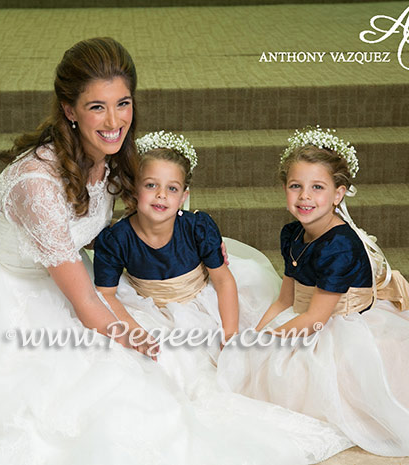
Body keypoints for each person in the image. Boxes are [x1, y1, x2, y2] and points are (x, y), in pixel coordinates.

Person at [0, 41, 351, 464]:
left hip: (72, 277)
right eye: (97, 106)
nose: (114, 119)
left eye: (122, 103)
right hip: (3, 294)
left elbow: (141, 218)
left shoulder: (110, 155)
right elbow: (84, 307)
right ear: (69, 110)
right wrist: (141, 340)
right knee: (116, 386)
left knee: (171, 357)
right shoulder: (38, 185)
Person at [216, 126, 409, 457]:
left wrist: (263, 342)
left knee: (313, 384)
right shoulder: (291, 232)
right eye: (295, 186)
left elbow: (317, 318)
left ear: (338, 194)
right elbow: (285, 299)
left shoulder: (341, 245)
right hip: (305, 316)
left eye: (317, 187)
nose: (305, 196)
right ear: (284, 189)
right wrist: (257, 336)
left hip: (340, 325)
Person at [93, 131, 278, 394]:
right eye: (150, 185)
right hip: (148, 305)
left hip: (203, 298)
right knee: (160, 364)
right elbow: (106, 295)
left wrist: (230, 331)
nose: (161, 195)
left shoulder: (197, 228)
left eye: (172, 188)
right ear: (135, 189)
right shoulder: (116, 239)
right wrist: (134, 330)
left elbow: (223, 280)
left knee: (238, 356)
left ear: (183, 196)